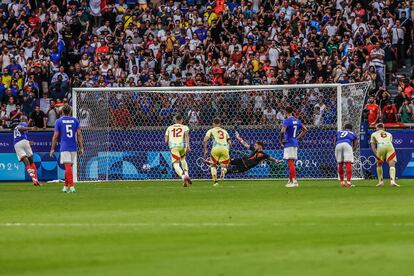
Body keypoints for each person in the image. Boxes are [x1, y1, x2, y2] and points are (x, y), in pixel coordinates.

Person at [50, 105, 84, 193]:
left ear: (62, 112)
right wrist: (81, 147)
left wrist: (52, 149)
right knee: (68, 167)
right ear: (70, 112)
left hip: (64, 146)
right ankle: (65, 187)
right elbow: (79, 134)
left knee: (68, 167)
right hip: (73, 146)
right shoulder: (75, 120)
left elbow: (55, 136)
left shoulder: (59, 121)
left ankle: (72, 187)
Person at [280, 106, 308, 187]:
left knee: (290, 162)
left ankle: (294, 181)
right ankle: (290, 180)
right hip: (295, 142)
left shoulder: (287, 121)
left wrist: (281, 140)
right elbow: (305, 129)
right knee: (291, 161)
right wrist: (297, 138)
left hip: (288, 142)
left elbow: (282, 131)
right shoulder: (297, 120)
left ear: (286, 112)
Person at [164, 114, 192, 187]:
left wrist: (170, 139)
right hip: (182, 147)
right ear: (182, 120)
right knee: (183, 159)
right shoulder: (185, 127)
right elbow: (186, 136)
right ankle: (187, 174)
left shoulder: (169, 128)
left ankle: (183, 177)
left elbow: (166, 140)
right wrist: (188, 146)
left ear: (174, 120)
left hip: (174, 147)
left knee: (175, 164)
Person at [203, 118, 231, 187]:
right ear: (220, 124)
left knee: (213, 165)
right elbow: (230, 142)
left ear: (213, 123)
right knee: (224, 165)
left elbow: (205, 140)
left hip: (215, 148)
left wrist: (205, 150)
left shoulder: (211, 130)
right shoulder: (225, 131)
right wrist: (228, 150)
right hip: (224, 148)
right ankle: (223, 170)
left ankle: (215, 182)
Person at [13, 116, 40, 186]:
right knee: (31, 161)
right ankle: (35, 179)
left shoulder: (16, 126)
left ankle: (34, 179)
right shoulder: (23, 124)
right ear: (24, 120)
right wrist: (31, 127)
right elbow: (21, 128)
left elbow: (20, 130)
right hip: (23, 142)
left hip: (17, 144)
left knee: (26, 161)